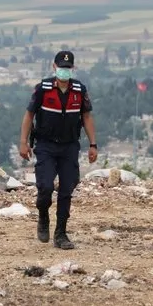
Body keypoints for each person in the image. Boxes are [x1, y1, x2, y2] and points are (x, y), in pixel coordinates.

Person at [18, 50, 97, 249]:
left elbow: (86, 117)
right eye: (61, 67)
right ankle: (43, 215)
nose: (64, 71)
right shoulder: (43, 89)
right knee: (45, 187)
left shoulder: (79, 90)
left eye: (68, 68)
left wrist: (93, 144)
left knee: (66, 189)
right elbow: (29, 115)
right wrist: (23, 142)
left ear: (73, 69)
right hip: (45, 145)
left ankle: (61, 234)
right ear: (54, 67)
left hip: (69, 146)